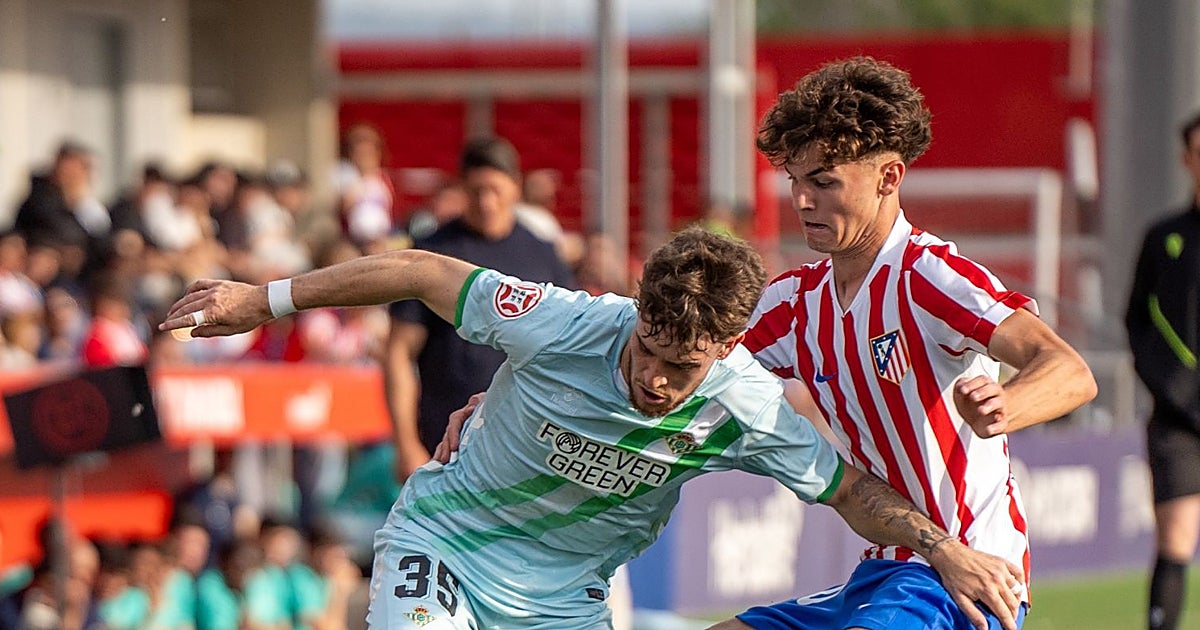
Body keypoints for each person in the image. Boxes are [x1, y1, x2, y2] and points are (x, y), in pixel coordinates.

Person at [161, 227, 1024, 630]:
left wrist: (942, 549)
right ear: (637, 313)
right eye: (648, 347)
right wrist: (260, 300)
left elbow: (850, 491)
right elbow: (423, 272)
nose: (654, 376)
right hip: (448, 550)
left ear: (726, 349)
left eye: (680, 369)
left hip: (564, 605)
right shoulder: (565, 320)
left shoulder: (746, 404)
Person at [705, 57, 1096, 630]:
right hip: (885, 571)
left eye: (824, 181)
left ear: (889, 177)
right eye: (795, 179)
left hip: (967, 576)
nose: (802, 201)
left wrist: (1007, 406)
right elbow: (705, 364)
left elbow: (1068, 369)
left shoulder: (929, 277)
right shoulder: (794, 302)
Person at [385, 136, 574, 482]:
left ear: (516, 188)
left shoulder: (543, 256)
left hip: (526, 439)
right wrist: (405, 442)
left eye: (495, 190)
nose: (486, 202)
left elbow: (567, 348)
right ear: (461, 189)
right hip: (445, 439)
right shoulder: (434, 255)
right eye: (476, 191)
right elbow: (399, 351)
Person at [1126, 110, 1200, 630]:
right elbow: (1138, 324)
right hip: (1179, 421)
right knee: (1176, 536)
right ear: (1187, 160)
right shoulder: (1164, 238)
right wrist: (1179, 394)